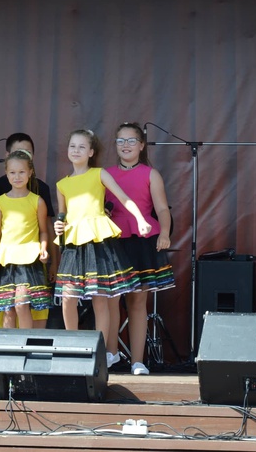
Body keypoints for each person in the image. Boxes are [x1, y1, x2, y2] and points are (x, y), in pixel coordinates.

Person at [54, 128, 150, 369]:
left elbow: (124, 198)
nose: (76, 150)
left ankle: (101, 352)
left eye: (81, 147)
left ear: (91, 152)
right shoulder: (62, 184)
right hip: (74, 244)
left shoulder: (99, 174)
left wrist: (140, 219)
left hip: (98, 242)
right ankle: (73, 348)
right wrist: (59, 225)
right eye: (72, 146)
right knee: (68, 297)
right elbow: (63, 214)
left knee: (100, 298)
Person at [105, 122, 175, 375]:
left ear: (141, 145)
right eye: (120, 140)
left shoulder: (150, 174)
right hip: (112, 240)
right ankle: (111, 354)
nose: (125, 145)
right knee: (111, 300)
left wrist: (164, 233)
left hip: (141, 240)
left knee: (137, 302)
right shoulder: (105, 174)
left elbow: (162, 208)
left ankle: (137, 361)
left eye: (131, 140)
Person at [0, 133, 56, 329]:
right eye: (12, 172)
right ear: (6, 172)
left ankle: (24, 342)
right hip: (7, 260)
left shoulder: (38, 200)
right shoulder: (0, 200)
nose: (17, 176)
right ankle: (7, 345)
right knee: (8, 308)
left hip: (29, 259)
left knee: (22, 305)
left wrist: (45, 250)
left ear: (30, 172)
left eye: (22, 172)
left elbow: (44, 230)